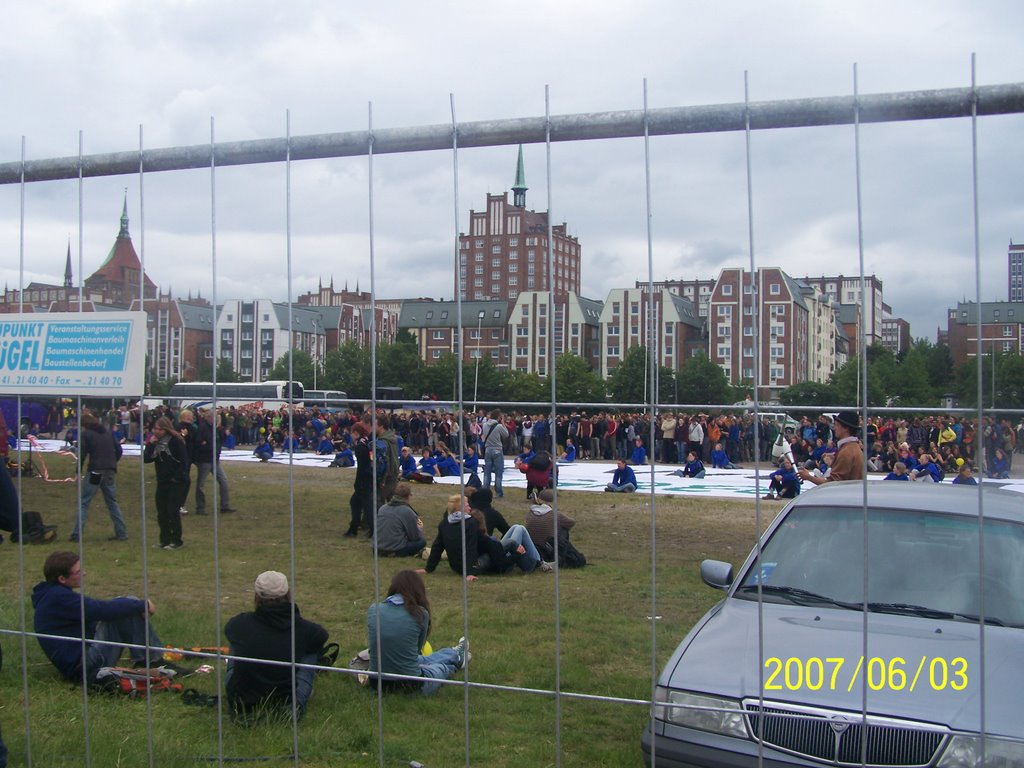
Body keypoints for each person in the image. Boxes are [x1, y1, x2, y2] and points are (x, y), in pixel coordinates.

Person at [32, 551, 171, 684]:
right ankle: (152, 660)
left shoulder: (52, 594)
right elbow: (100, 610)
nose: (84, 573)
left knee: (124, 605)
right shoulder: (58, 597)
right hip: (83, 667)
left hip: (80, 659)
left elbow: (95, 613)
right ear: (62, 579)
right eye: (79, 572)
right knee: (129, 603)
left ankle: (148, 659)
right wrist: (142, 604)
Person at [224, 571, 330, 721]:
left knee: (237, 639)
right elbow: (322, 637)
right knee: (310, 650)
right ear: (288, 594)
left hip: (241, 703)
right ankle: (292, 703)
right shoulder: (303, 628)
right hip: (286, 705)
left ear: (257, 597)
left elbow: (228, 630)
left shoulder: (240, 623)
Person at [366, 570, 469, 695]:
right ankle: (457, 660)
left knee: (424, 659)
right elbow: (416, 650)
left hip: (376, 683)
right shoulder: (420, 614)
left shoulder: (373, 610)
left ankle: (455, 652)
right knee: (440, 668)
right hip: (411, 685)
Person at [71, 413, 128, 542]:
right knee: (112, 502)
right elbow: (119, 450)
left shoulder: (86, 434)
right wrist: (113, 462)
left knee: (85, 502)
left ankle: (77, 534)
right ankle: (122, 532)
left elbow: (83, 453)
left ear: (84, 425)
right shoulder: (108, 432)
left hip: (95, 471)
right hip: (110, 471)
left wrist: (77, 471)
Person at [143, 417, 191, 550]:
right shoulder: (155, 442)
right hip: (162, 480)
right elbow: (146, 459)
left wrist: (176, 477)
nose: (156, 432)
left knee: (172, 511)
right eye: (155, 429)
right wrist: (150, 444)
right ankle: (164, 539)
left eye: (159, 429)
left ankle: (176, 540)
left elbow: (184, 461)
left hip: (176, 482)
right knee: (161, 512)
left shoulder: (176, 441)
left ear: (166, 429)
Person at [422, 495, 486, 579]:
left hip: (455, 566)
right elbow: (470, 547)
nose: (470, 508)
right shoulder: (471, 523)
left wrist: (428, 568)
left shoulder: (444, 523)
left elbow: (437, 547)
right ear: (460, 508)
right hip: (470, 567)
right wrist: (470, 572)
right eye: (467, 506)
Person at [798, 411, 864, 486]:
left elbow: (833, 484)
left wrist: (808, 477)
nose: (834, 428)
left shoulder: (846, 452)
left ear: (846, 428)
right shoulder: (853, 447)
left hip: (846, 496)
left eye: (837, 425)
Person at [194, 409, 235, 515]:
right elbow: (198, 443)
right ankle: (200, 508)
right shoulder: (203, 428)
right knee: (201, 484)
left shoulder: (216, 429)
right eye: (214, 417)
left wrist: (224, 434)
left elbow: (218, 441)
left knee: (224, 481)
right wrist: (207, 446)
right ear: (208, 417)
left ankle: (225, 506)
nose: (216, 419)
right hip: (205, 460)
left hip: (215, 459)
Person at [375, 483, 427, 557]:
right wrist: (419, 528)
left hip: (377, 548)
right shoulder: (408, 512)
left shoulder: (383, 508)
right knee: (421, 542)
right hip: (393, 548)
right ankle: (393, 554)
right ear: (408, 496)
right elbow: (414, 537)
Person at [345, 422, 374, 538]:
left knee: (366, 505)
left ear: (356, 433)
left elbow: (362, 466)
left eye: (352, 433)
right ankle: (354, 528)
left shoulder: (360, 446)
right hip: (368, 477)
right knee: (356, 502)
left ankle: (370, 529)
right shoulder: (366, 441)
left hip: (364, 479)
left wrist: (358, 482)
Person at [481, 409, 509, 498]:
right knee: (498, 472)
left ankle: (485, 491)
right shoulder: (499, 426)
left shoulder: (484, 425)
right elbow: (506, 435)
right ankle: (499, 492)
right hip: (497, 449)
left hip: (488, 449)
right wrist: (503, 423)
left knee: (487, 472)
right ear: (498, 417)